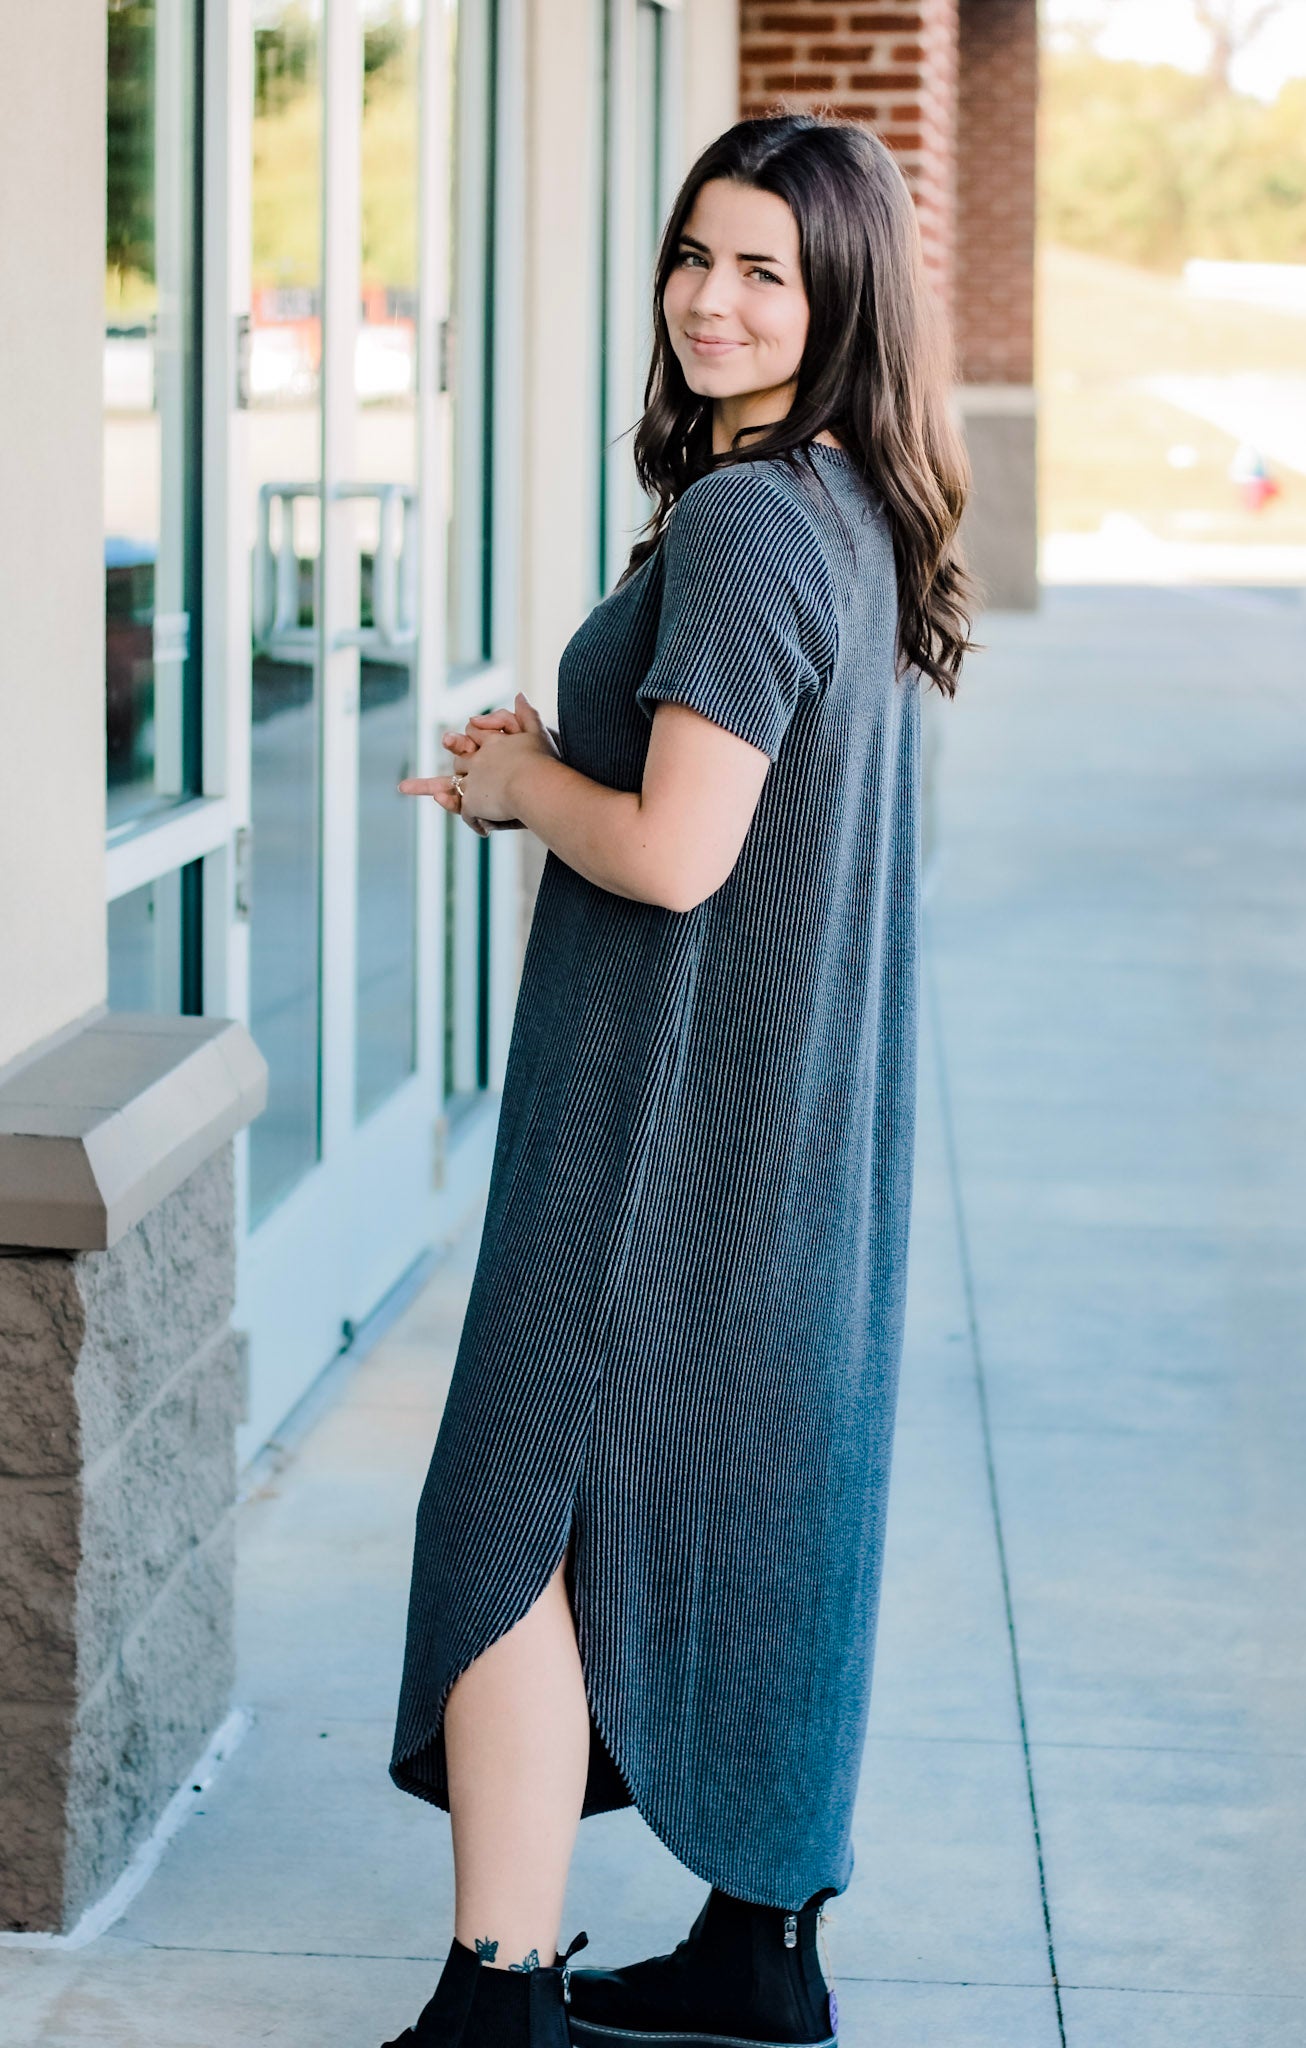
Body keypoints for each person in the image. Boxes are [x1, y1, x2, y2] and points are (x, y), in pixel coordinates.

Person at [385, 111, 976, 2048]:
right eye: (693, 256)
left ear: (841, 297)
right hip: (785, 1123)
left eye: (763, 271)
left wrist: (518, 785)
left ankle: (497, 2004)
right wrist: (562, 768)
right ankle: (756, 1952)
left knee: (507, 1531)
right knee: (768, 1507)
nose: (709, 301)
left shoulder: (745, 522)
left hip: (656, 1126)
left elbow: (673, 855)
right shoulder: (852, 506)